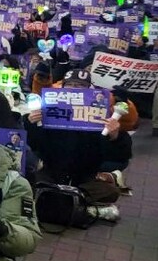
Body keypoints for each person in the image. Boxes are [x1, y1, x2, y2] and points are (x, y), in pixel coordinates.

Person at [25, 69, 130, 212]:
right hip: (52, 173)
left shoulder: (101, 115)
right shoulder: (50, 111)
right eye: (70, 85)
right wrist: (32, 124)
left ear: (88, 89)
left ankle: (67, 198)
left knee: (111, 192)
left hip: (85, 178)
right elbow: (35, 146)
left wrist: (115, 136)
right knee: (29, 184)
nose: (74, 89)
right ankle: (74, 201)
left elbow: (121, 156)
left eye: (79, 86)